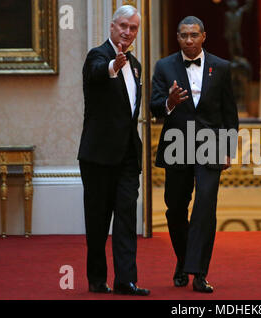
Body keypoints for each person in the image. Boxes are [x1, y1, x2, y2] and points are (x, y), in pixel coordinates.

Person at [150, 16, 239, 293]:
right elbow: (154, 107)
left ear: (204, 36)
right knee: (175, 208)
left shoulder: (221, 67)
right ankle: (182, 259)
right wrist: (169, 102)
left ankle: (199, 272)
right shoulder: (164, 66)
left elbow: (229, 113)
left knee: (204, 207)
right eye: (184, 35)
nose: (189, 40)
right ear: (177, 37)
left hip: (211, 144)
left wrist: (228, 149)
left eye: (194, 35)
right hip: (178, 145)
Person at [78, 5, 150, 296]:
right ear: (111, 26)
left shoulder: (135, 65)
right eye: (123, 26)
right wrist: (112, 67)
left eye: (133, 28)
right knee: (97, 222)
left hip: (128, 158)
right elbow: (96, 74)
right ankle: (97, 279)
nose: (127, 32)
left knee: (126, 219)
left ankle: (125, 280)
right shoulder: (98, 56)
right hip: (98, 156)